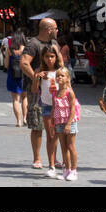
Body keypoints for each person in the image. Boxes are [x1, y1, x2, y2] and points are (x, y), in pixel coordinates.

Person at [21, 17, 59, 169]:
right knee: (37, 124)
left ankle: (53, 159)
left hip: (54, 90)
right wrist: (36, 77)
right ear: (48, 30)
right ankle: (37, 158)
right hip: (36, 91)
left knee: (54, 125)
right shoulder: (33, 44)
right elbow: (24, 63)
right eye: (56, 28)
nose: (57, 31)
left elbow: (61, 62)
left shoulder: (54, 44)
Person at [35, 44, 63, 178]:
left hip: (61, 107)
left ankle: (66, 164)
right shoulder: (41, 71)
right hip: (47, 107)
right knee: (51, 136)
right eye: (47, 56)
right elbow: (35, 90)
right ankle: (51, 165)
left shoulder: (60, 71)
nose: (49, 59)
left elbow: (67, 88)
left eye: (52, 56)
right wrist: (37, 77)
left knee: (61, 136)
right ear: (43, 58)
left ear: (56, 57)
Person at [52, 67, 80, 181]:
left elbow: (73, 109)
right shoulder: (55, 92)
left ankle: (74, 170)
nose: (59, 77)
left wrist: (68, 124)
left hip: (70, 122)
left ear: (68, 78)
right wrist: (52, 123)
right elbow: (54, 108)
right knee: (63, 147)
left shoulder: (70, 92)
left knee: (71, 146)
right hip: (59, 122)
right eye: (58, 75)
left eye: (62, 75)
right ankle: (66, 170)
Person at [6, 34, 28, 127]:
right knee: (25, 98)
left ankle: (18, 121)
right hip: (24, 76)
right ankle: (25, 119)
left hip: (13, 76)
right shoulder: (26, 49)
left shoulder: (9, 49)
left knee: (15, 99)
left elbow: (6, 65)